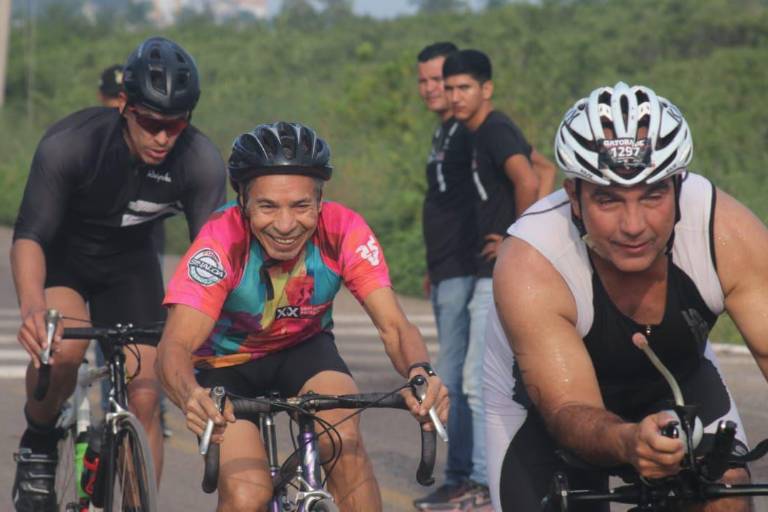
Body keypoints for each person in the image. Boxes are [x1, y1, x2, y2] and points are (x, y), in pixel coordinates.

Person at [485, 81, 759, 511]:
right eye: (608, 200)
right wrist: (629, 440)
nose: (633, 225)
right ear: (574, 196)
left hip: (677, 379)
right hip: (549, 405)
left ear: (677, 185)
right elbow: (568, 408)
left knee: (724, 492)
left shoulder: (725, 231)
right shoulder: (531, 259)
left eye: (652, 196)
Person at [156, 121, 450, 512]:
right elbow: (174, 346)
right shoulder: (219, 243)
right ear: (242, 201)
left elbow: (394, 326)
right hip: (224, 365)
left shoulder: (344, 230)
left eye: (301, 206)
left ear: (320, 201)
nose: (284, 225)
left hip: (304, 349)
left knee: (343, 441)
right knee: (247, 496)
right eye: (267, 206)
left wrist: (420, 373)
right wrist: (191, 395)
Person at [11, 36, 226, 511]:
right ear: (125, 106)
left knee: (147, 394)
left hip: (131, 266)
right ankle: (39, 438)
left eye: (176, 124)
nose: (162, 138)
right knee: (62, 349)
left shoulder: (200, 161)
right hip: (65, 259)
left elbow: (212, 257)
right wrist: (31, 310)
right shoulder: (73, 143)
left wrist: (204, 330)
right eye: (151, 123)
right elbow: (29, 235)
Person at [442, 48, 554, 504]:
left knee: (474, 382)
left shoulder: (493, 128)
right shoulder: (477, 132)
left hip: (497, 272)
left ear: (486, 89)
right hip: (487, 269)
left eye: (465, 87)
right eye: (450, 88)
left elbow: (528, 180)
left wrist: (518, 242)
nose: (455, 96)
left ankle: (490, 486)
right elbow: (546, 169)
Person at [411, 42, 484, 510]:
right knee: (455, 377)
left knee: (458, 379)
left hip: (467, 270)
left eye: (440, 80)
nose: (432, 89)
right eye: (424, 81)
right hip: (446, 271)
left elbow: (523, 173)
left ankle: (468, 478)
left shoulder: (475, 131)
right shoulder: (446, 133)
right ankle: (462, 475)